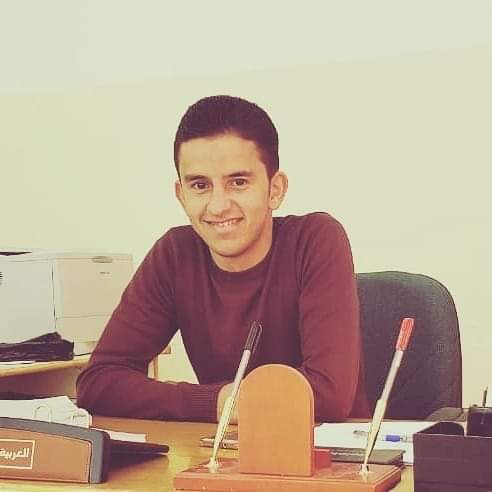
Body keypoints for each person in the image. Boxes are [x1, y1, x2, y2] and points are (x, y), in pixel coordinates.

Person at [76, 95, 369, 423]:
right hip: (221, 446)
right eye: (200, 185)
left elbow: (327, 397)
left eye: (238, 182)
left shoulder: (315, 239)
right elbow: (97, 384)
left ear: (275, 189)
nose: (218, 206)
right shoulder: (175, 254)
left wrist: (229, 403)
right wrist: (215, 402)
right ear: (181, 195)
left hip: (322, 448)